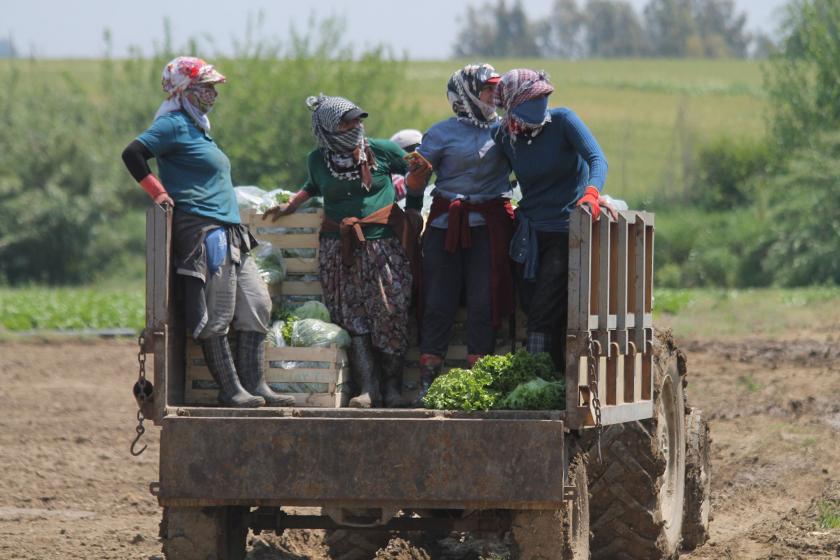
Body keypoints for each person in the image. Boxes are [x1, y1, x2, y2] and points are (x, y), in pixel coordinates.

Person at [121, 56, 294, 408]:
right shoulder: (172, 124)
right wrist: (159, 193)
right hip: (204, 231)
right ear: (185, 90)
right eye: (206, 87)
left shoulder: (198, 126)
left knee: (257, 303)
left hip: (230, 230)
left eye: (214, 87)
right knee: (219, 311)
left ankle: (255, 385)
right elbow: (133, 153)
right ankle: (230, 390)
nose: (213, 93)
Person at [266, 95, 425, 408]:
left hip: (383, 246)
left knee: (390, 312)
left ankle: (392, 390)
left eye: (358, 119)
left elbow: (418, 171)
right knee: (353, 317)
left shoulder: (381, 150)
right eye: (347, 122)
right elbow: (313, 185)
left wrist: (415, 209)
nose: (356, 126)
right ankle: (368, 390)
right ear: (327, 127)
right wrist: (292, 205)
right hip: (340, 249)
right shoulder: (318, 160)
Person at [407, 63, 516, 403]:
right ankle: (428, 381)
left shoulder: (507, 131)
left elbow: (528, 168)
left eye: (496, 90)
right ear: (467, 93)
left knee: (485, 301)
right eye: (487, 90)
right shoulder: (441, 133)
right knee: (438, 301)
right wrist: (416, 181)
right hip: (445, 226)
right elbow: (415, 181)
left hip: (488, 227)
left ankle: (477, 383)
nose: (493, 96)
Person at [491, 68, 613, 369]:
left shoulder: (563, 122)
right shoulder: (504, 136)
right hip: (529, 234)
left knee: (543, 312)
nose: (541, 103)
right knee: (533, 306)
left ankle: (536, 378)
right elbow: (493, 177)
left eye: (544, 96)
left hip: (565, 230)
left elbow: (598, 158)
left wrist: (592, 193)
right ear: (512, 105)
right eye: (533, 98)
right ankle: (557, 378)